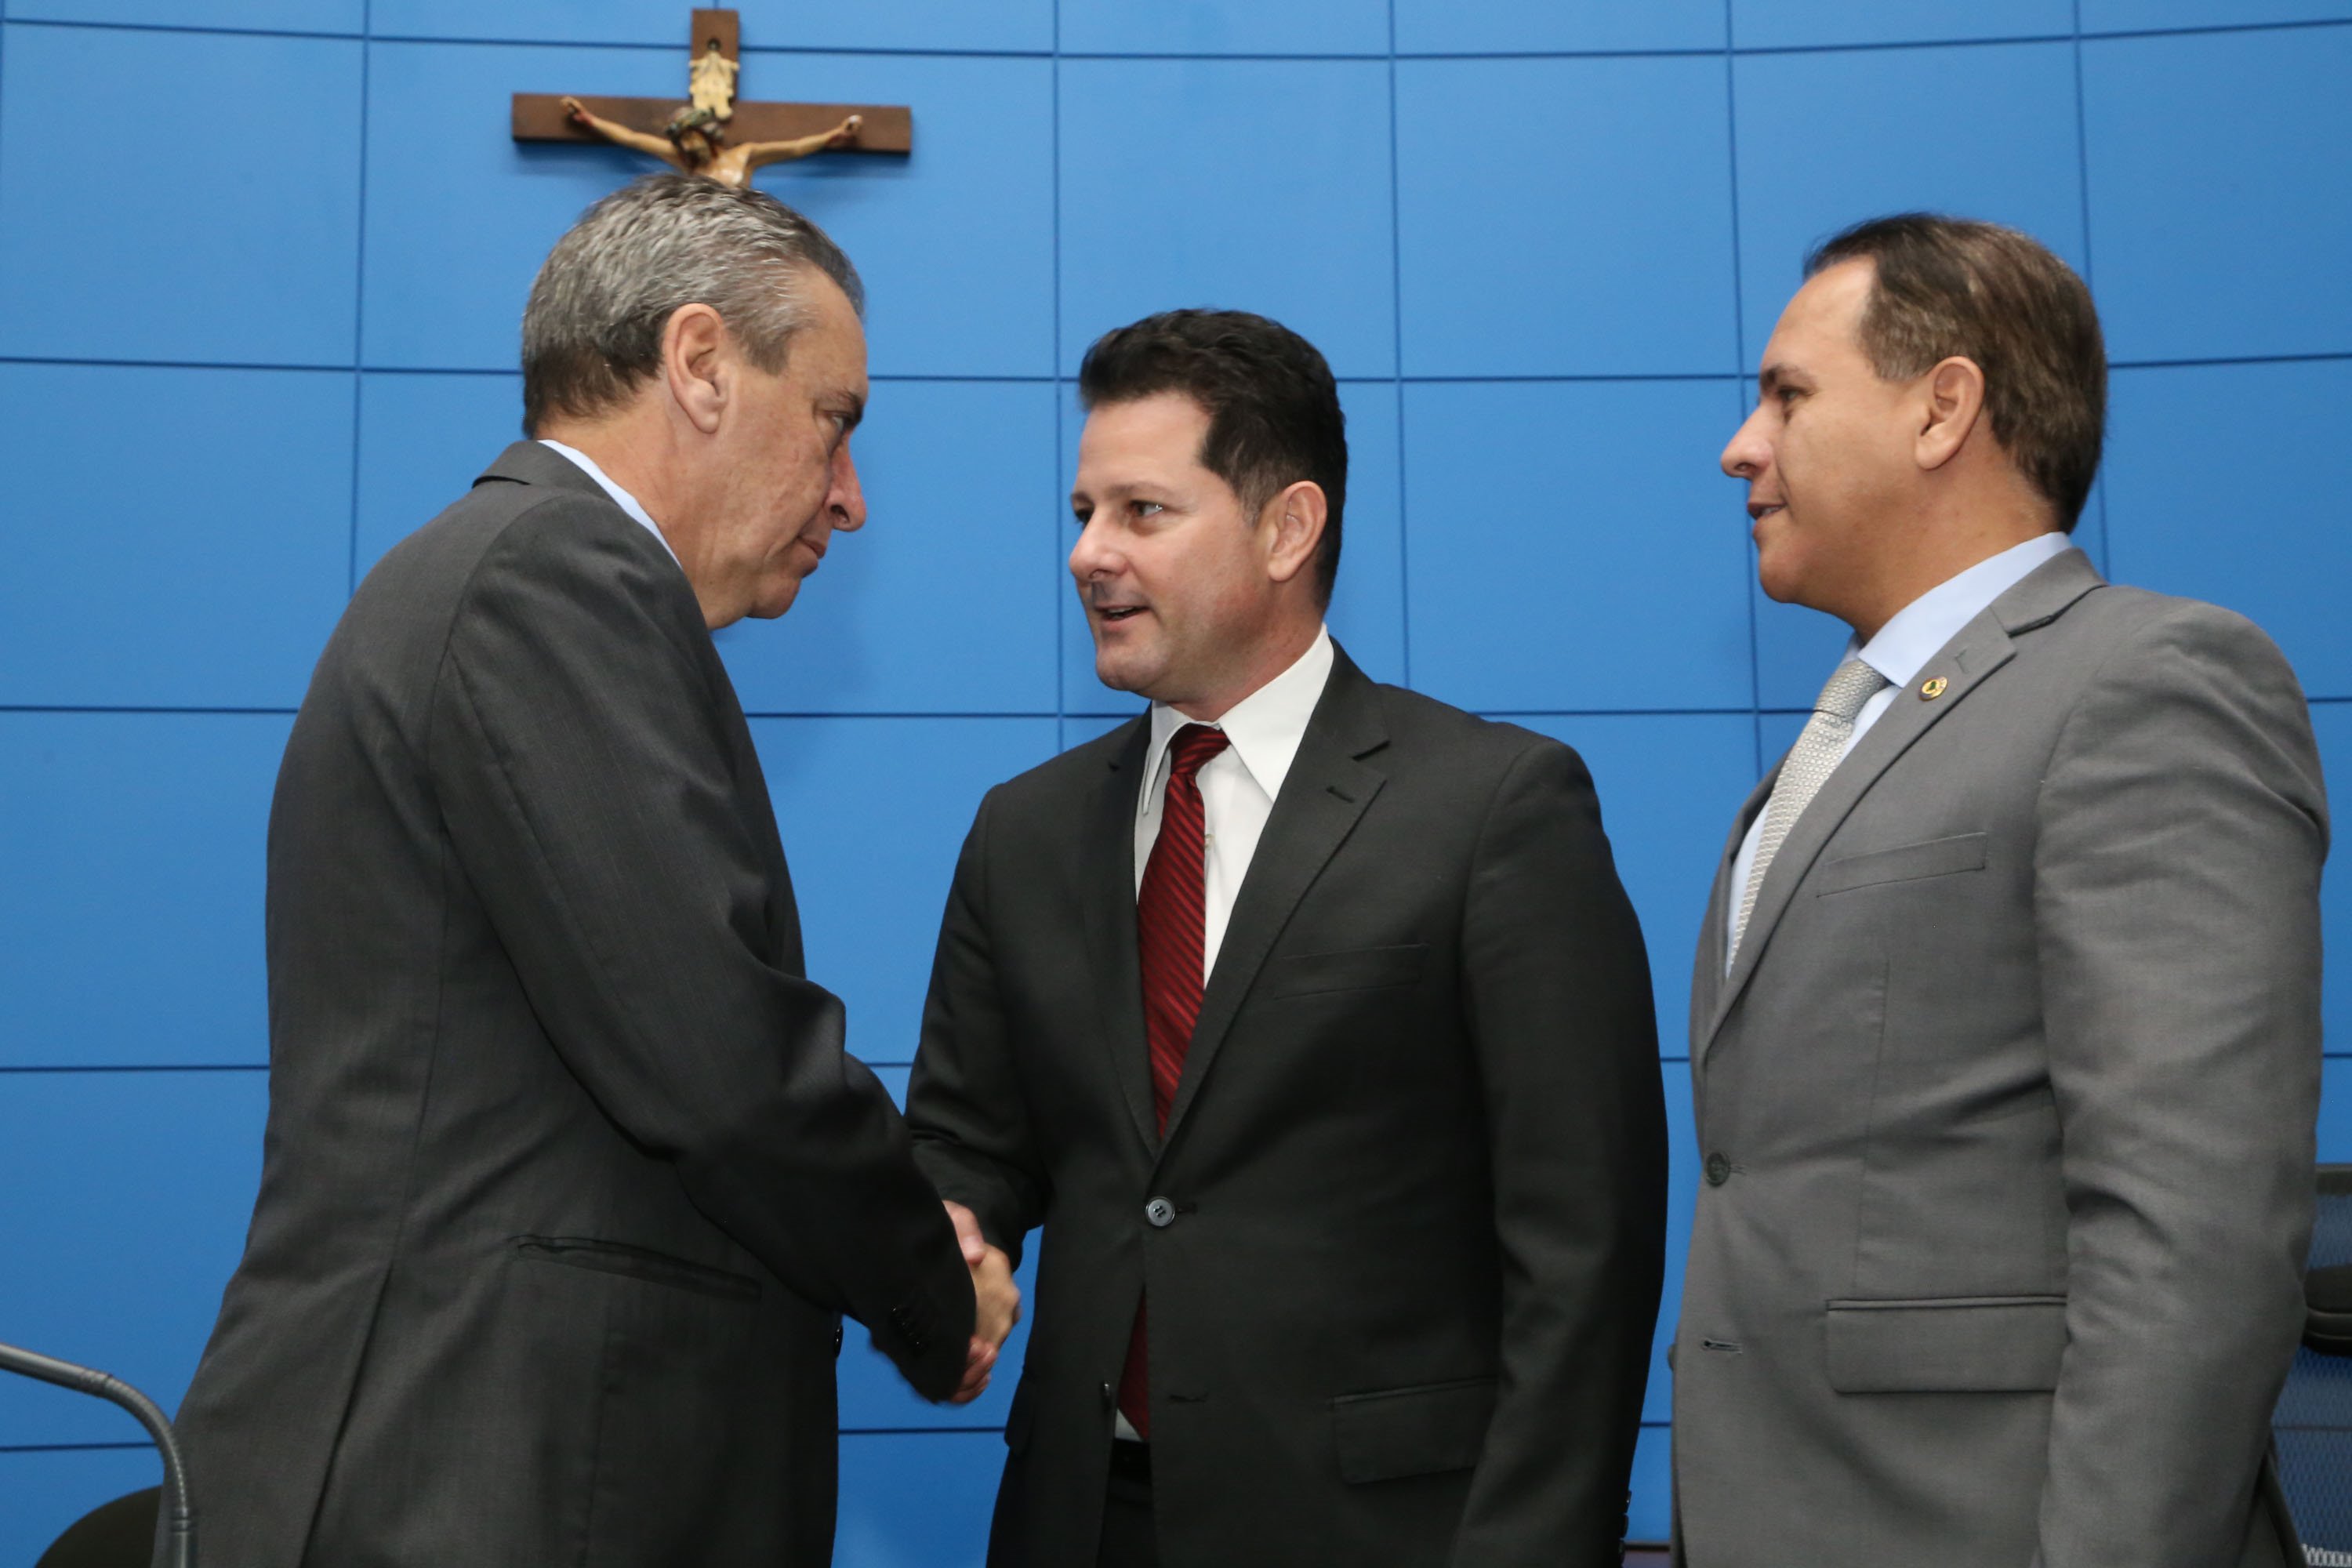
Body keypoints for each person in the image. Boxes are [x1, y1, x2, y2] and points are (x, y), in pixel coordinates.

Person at [173, 174, 1015, 1568]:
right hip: (474, 1480)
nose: (850, 497)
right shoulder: (550, 579)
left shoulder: (524, 574)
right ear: (700, 364)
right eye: (836, 419)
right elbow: (719, 1059)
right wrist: (933, 1280)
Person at [905, 307, 1668, 1567]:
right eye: (1083, 513)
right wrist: (950, 1229)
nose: (1090, 554)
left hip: (1387, 1530)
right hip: (1082, 1522)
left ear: (1287, 528)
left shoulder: (1492, 809)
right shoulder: (1022, 832)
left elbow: (1584, 1241)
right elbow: (970, 1140)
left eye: (1143, 512)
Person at [1674, 213, 2328, 1567]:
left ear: (1943, 408)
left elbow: (2191, 1239)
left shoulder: (2147, 683)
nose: (1742, 445)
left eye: (1787, 395)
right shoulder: (1841, 739)